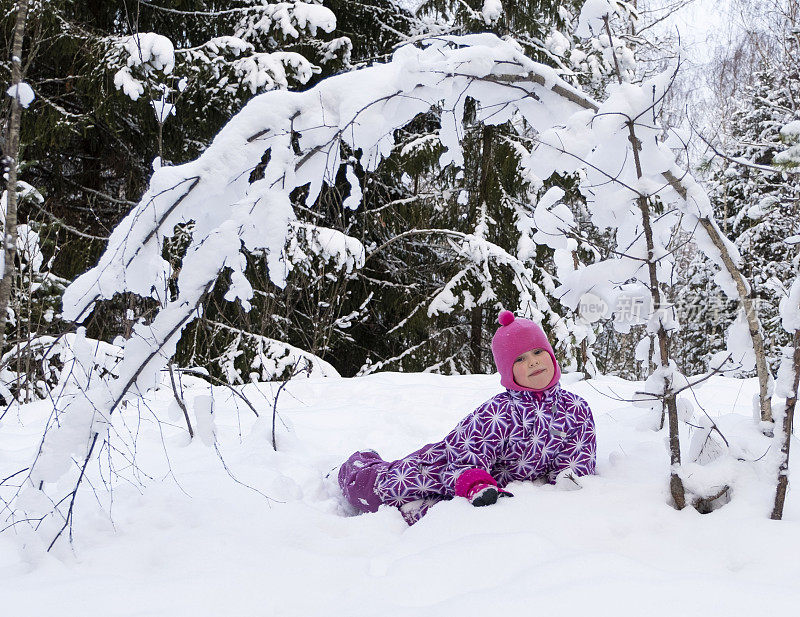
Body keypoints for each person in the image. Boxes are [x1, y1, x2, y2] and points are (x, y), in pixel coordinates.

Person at [338, 310, 597, 524]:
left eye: (538, 352)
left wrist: (568, 477)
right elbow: (467, 454)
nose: (533, 362)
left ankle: (412, 512)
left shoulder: (575, 410)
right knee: (379, 490)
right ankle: (357, 466)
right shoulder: (498, 412)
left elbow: (579, 455)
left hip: (494, 488)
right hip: (443, 468)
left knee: (447, 517)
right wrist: (476, 483)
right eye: (520, 358)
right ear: (508, 371)